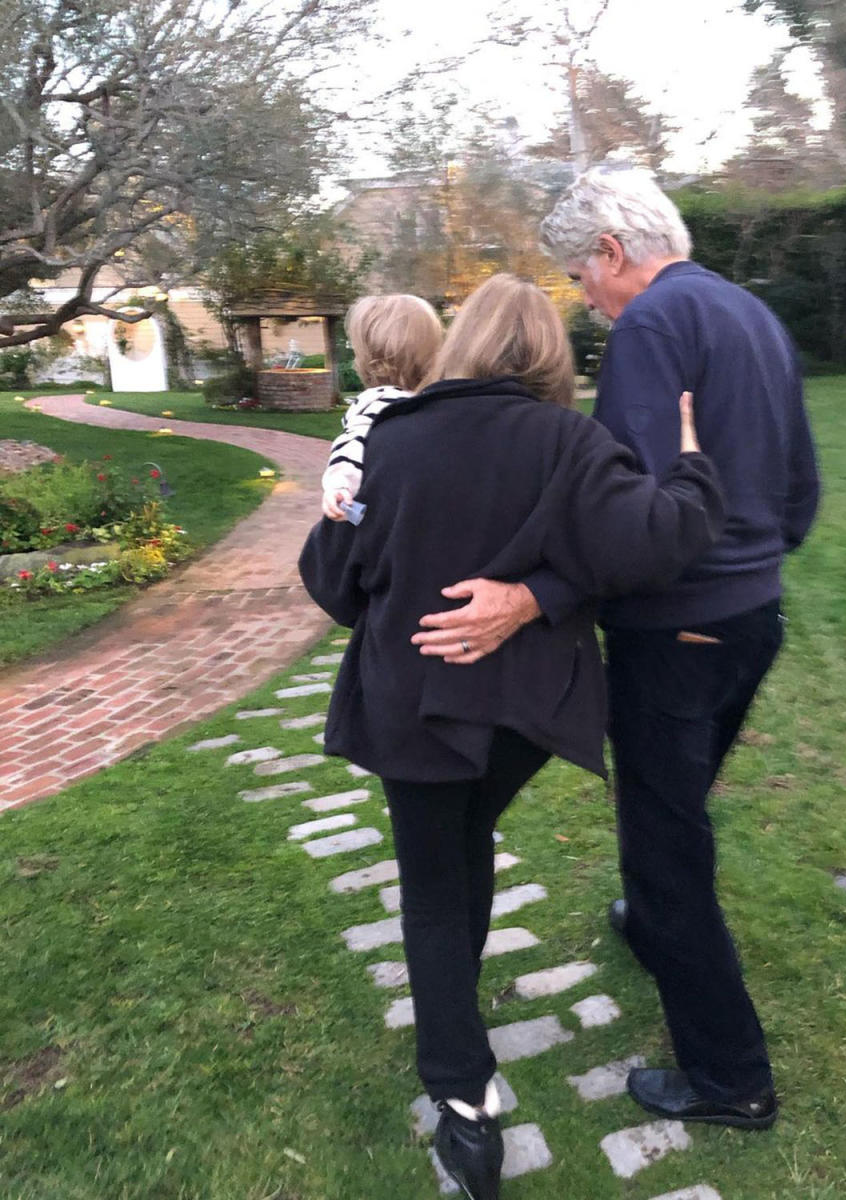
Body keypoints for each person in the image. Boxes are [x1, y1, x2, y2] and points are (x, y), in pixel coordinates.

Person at [298, 273, 725, 1200]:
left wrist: (343, 505)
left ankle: (461, 1103)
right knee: (460, 848)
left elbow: (332, 587)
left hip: (412, 706)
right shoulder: (575, 441)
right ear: (550, 355)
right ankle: (460, 1022)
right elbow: (656, 541)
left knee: (433, 880)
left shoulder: (390, 440)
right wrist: (694, 464)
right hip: (519, 716)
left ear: (464, 344)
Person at [411, 170, 821, 1132]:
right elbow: (799, 490)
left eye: (579, 277)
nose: (585, 303)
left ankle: (732, 1080)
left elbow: (619, 525)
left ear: (611, 250)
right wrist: (752, 571)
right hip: (753, 617)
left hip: (677, 630)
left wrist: (532, 596)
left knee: (665, 852)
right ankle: (648, 931)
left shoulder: (652, 326)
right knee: (675, 814)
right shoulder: (749, 312)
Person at [321, 293, 443, 521]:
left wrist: (340, 487)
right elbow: (351, 445)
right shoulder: (390, 403)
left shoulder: (383, 402)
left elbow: (351, 443)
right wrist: (341, 486)